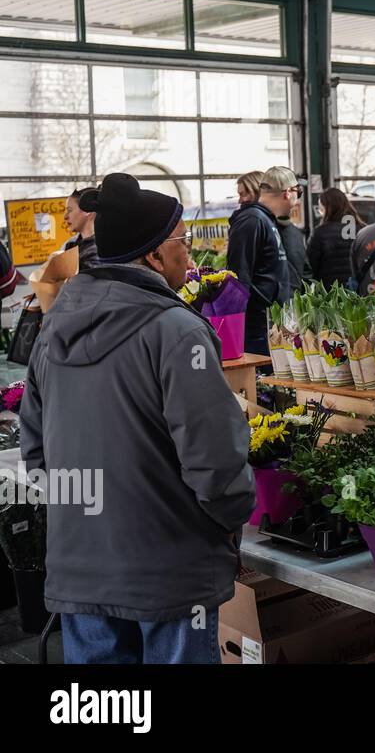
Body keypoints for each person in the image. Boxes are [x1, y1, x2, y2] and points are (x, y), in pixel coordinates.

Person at [19, 172, 254, 664]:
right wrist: (228, 522)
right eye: (183, 243)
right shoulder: (176, 331)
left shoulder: (52, 328)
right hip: (169, 575)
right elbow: (214, 461)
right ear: (153, 254)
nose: (188, 256)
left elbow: (36, 455)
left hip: (79, 572)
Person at [226, 166, 294, 355]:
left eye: (244, 193)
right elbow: (239, 276)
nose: (241, 200)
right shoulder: (252, 220)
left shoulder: (266, 221)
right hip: (259, 324)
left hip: (271, 321)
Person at [307, 187, 362, 289]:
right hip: (358, 292)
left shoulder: (320, 233)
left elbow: (310, 266)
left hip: (330, 294)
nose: (320, 212)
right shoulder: (361, 230)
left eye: (321, 208)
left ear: (327, 208)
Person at [62, 187, 99, 269]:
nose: (65, 216)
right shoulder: (70, 245)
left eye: (70, 210)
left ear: (87, 210)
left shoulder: (99, 250)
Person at [277, 205, 310, 293]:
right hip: (295, 292)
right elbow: (306, 270)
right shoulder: (297, 233)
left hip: (275, 297)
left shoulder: (267, 230)